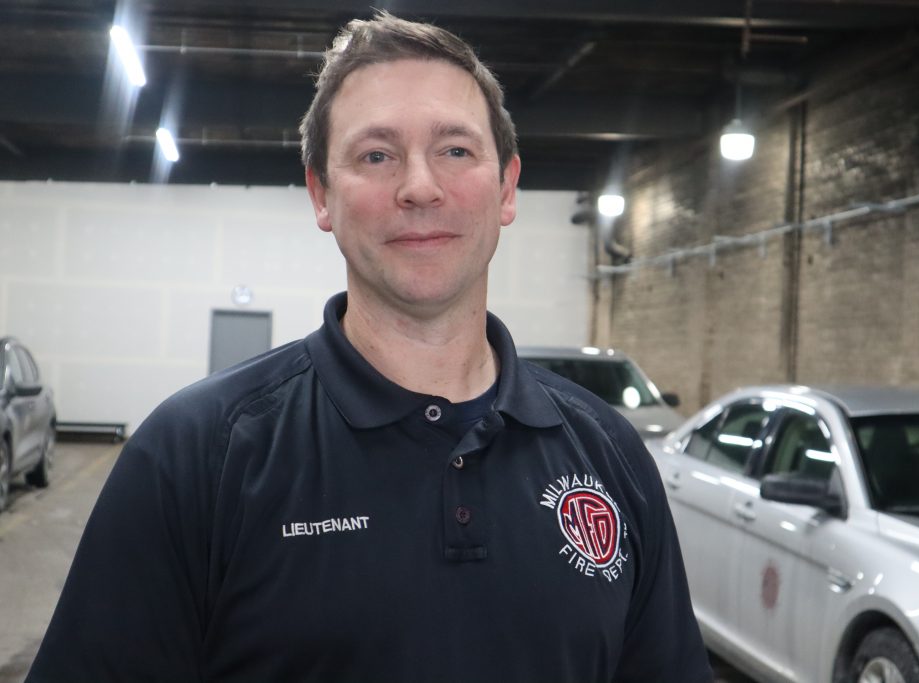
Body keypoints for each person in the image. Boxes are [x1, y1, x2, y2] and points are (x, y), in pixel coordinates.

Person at [27, 11, 712, 683]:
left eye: (455, 150)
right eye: (376, 155)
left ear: (506, 187)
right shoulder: (196, 453)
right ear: (321, 195)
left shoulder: (610, 454)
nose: (419, 187)